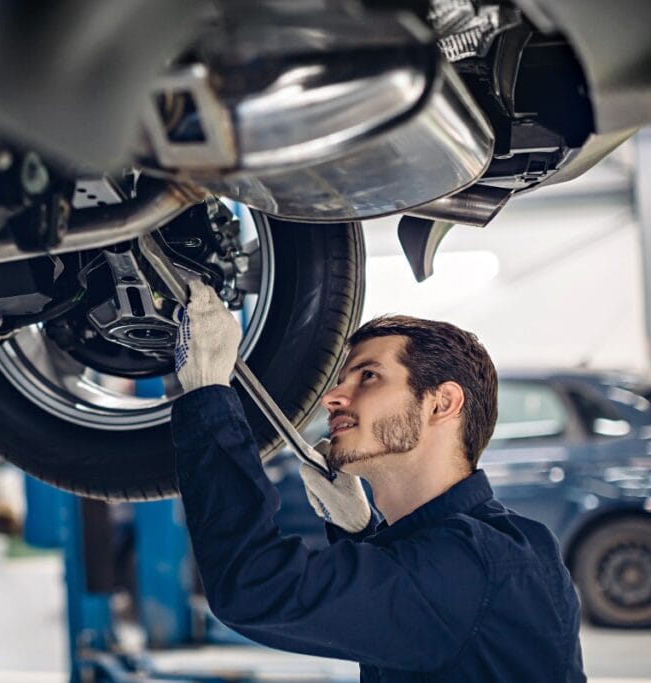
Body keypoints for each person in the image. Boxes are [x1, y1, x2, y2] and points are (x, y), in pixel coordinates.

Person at [171, 282, 585, 682]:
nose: (331, 398)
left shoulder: (471, 565)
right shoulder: (500, 546)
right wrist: (360, 532)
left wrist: (208, 392)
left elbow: (253, 587)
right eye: (342, 380)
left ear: (441, 403)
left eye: (368, 376)